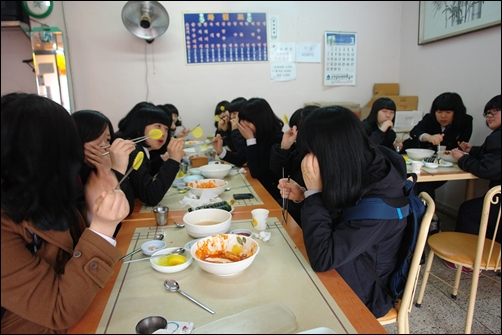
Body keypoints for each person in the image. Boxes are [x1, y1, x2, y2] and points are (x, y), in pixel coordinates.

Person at [1, 92, 130, 333]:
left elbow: (76, 255)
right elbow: (59, 311)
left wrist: (94, 213)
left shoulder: (43, 191)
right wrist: (101, 227)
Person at [277, 106, 408, 318]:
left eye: (312, 152)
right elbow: (344, 214)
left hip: (365, 291)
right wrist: (304, 196)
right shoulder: (360, 165)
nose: (309, 159)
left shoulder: (381, 200)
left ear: (333, 151)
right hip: (348, 263)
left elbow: (323, 259)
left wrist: (315, 194)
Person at [443, 95, 501, 275]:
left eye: (494, 112)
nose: (489, 116)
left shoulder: (498, 137)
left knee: (469, 210)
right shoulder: (496, 137)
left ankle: (465, 260)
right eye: (487, 113)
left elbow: (486, 168)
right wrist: (472, 150)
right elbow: (492, 156)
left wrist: (463, 159)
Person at [403, 92, 473, 233]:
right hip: (420, 159)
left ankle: (426, 218)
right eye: (439, 111)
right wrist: (428, 136)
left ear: (456, 112)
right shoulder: (429, 119)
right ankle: (429, 218)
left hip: (446, 164)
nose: (442, 116)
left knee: (423, 184)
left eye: (448, 112)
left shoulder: (465, 122)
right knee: (422, 182)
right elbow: (415, 131)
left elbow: (462, 144)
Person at [71, 109, 136, 235]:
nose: (103, 146)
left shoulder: (95, 169)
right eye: (94, 137)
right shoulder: (70, 177)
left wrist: (113, 171)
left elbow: (126, 210)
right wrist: (116, 170)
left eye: (107, 140)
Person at [212, 97, 283, 200]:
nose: (243, 124)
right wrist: (221, 151)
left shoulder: (276, 139)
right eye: (242, 120)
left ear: (260, 120)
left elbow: (257, 172)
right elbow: (242, 158)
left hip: (272, 194)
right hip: (257, 188)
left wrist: (250, 140)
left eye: (248, 121)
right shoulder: (255, 133)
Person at [115, 105, 185, 206]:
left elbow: (145, 173)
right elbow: (151, 196)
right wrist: (173, 161)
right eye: (158, 126)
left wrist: (164, 158)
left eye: (166, 129)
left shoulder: (141, 149)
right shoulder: (132, 152)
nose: (164, 133)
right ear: (141, 126)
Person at [269, 105, 319, 225]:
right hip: (293, 208)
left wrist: (301, 197)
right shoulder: (300, 150)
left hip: (304, 216)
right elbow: (279, 171)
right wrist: (284, 147)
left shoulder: (321, 158)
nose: (296, 135)